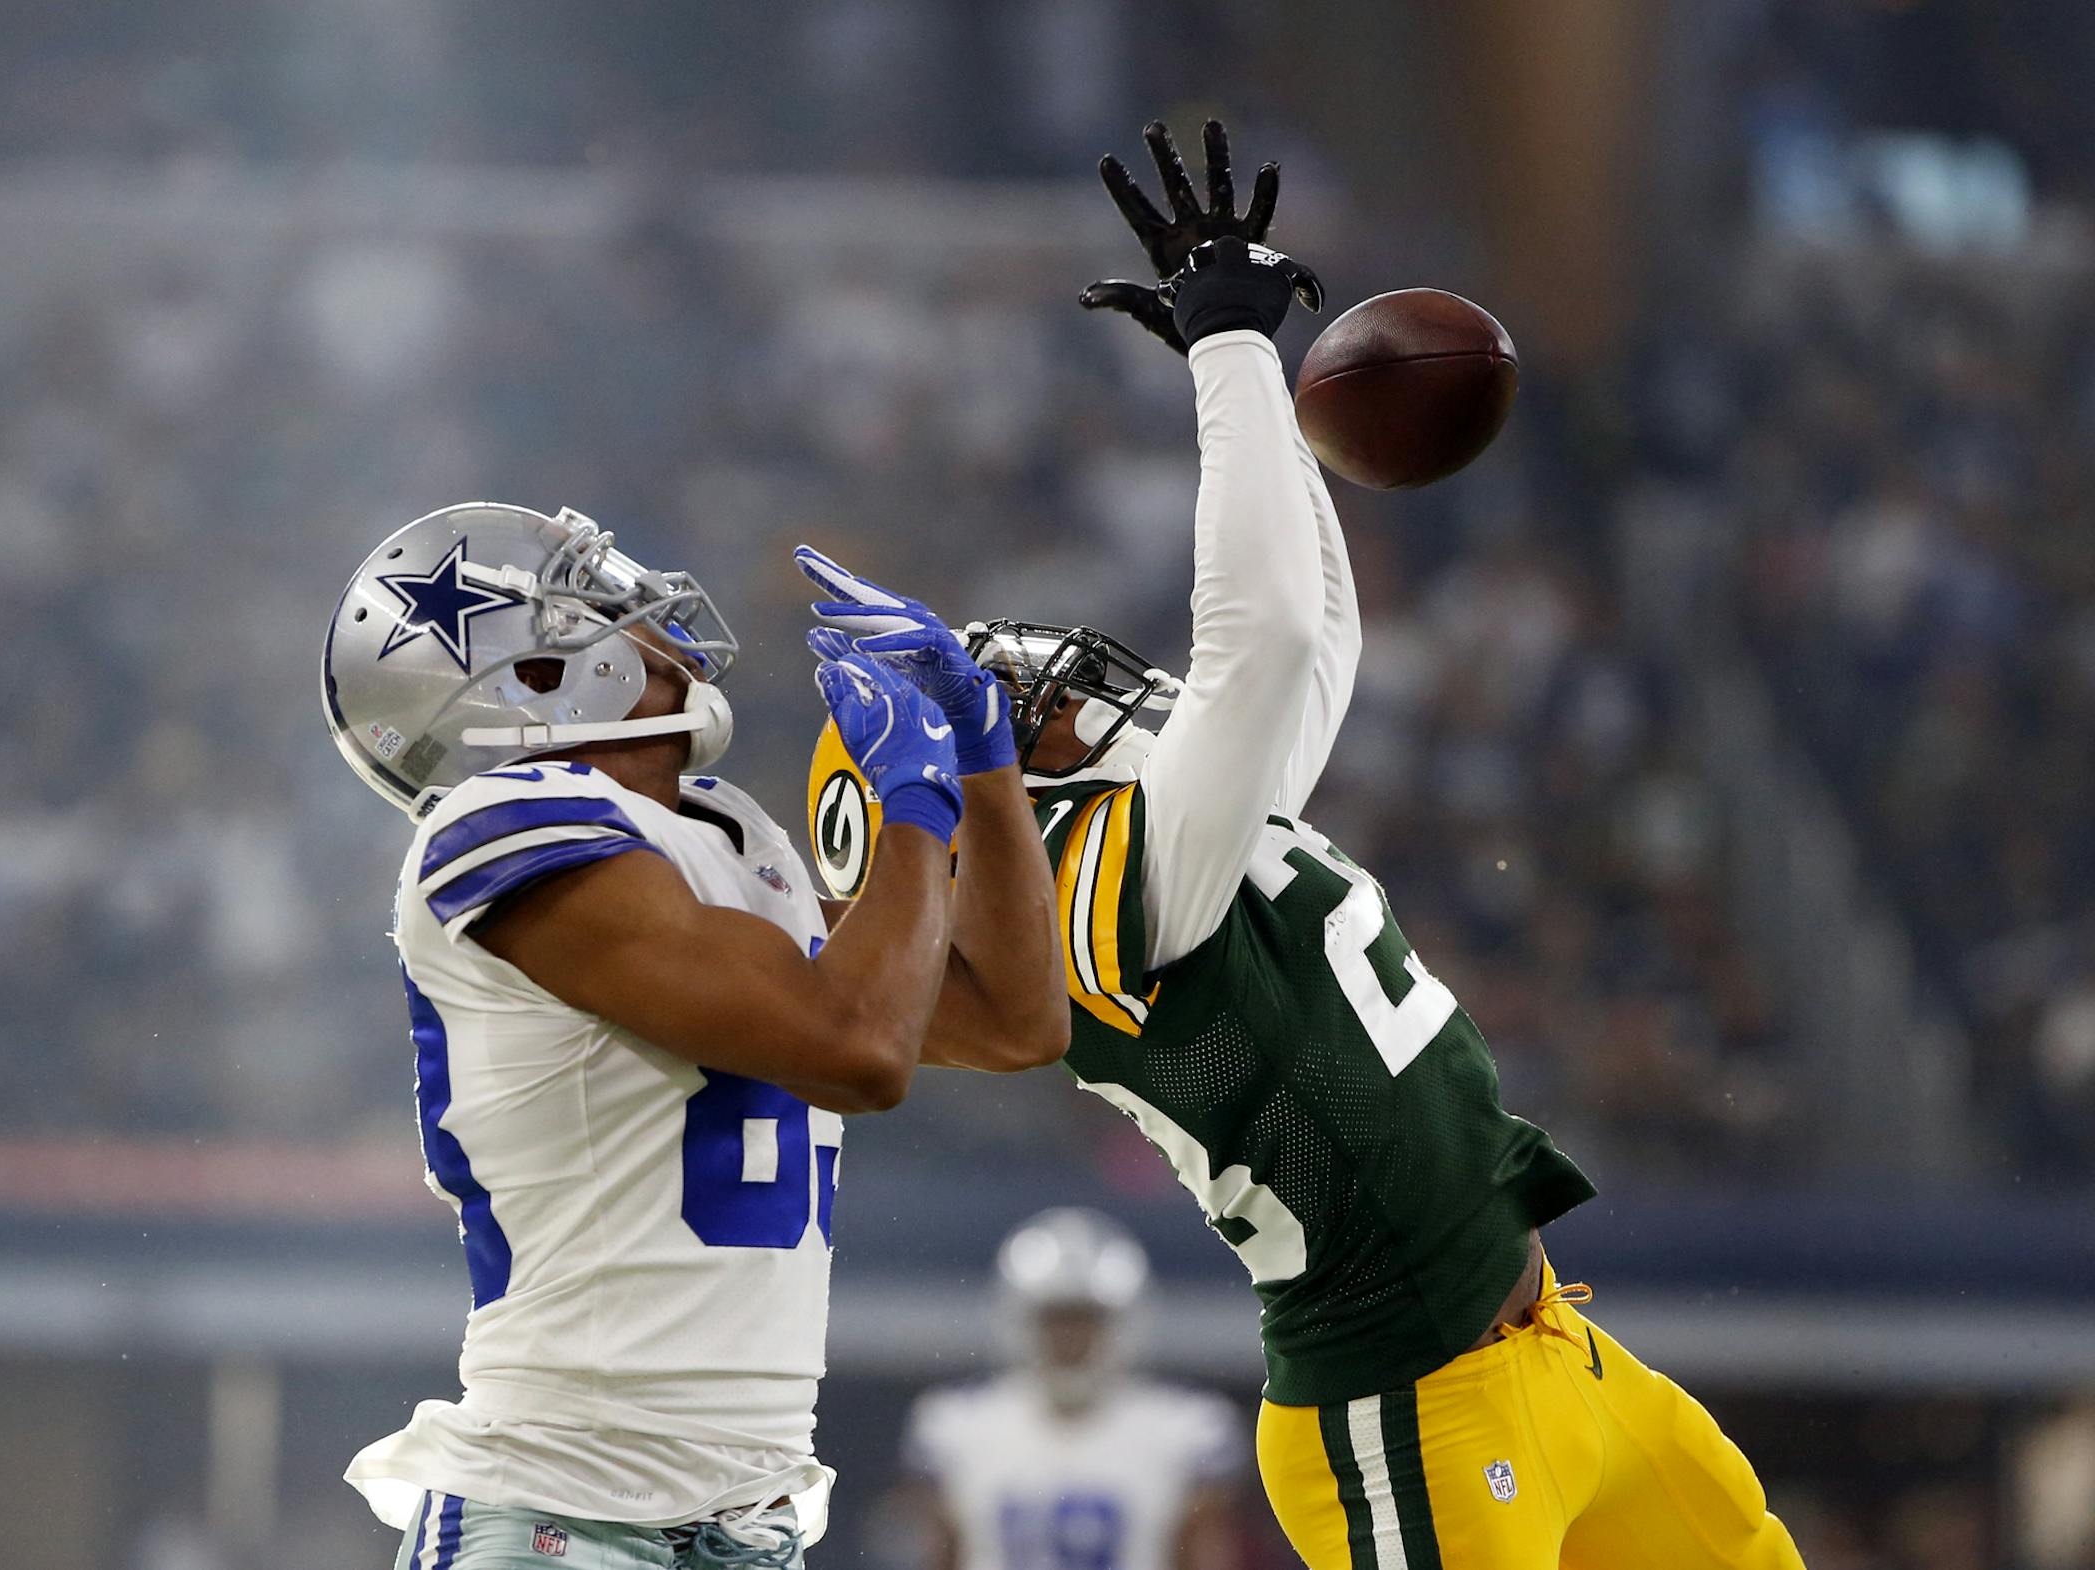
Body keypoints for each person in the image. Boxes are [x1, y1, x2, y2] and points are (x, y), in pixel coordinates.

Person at [809, 122, 1805, 1569]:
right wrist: (1226, 357)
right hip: (1412, 1409)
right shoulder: (1121, 904)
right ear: (980, 812)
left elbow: (1318, 634)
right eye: (1013, 711)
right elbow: (1264, 636)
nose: (1064, 693)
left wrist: (1260, 389)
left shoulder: (1162, 841)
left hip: (1552, 1354)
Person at [321, 502, 1065, 1569]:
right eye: (592, 603)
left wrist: (986, 765)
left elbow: (1014, 1019)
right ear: (529, 675)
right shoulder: (501, 821)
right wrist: (914, 799)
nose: (644, 609)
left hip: (748, 1525)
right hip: (555, 1515)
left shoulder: (727, 833)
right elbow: (858, 1050)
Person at [895, 1209, 1243, 1570]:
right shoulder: (957, 1427)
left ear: (1123, 1324)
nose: (1068, 1339)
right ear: (1019, 1322)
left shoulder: (1185, 1431)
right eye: (1055, 1321)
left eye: (1083, 1321)